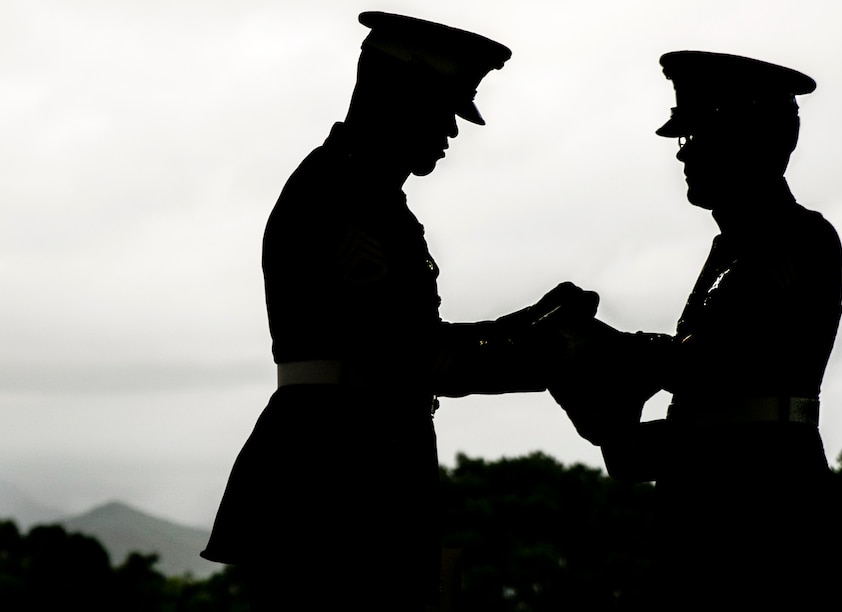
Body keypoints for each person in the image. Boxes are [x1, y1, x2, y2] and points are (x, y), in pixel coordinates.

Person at [201, 12, 596, 611]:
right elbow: (407, 358)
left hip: (353, 466)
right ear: (394, 95)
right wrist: (554, 352)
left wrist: (526, 324)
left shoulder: (363, 192)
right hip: (336, 483)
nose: (451, 131)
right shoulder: (344, 197)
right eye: (442, 108)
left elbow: (402, 336)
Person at [552, 51, 842, 610]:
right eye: (684, 139)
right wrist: (595, 399)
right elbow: (686, 407)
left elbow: (714, 363)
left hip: (767, 515)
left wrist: (593, 346)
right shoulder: (729, 251)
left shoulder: (798, 240)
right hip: (707, 503)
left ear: (750, 141)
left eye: (699, 136)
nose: (685, 153)